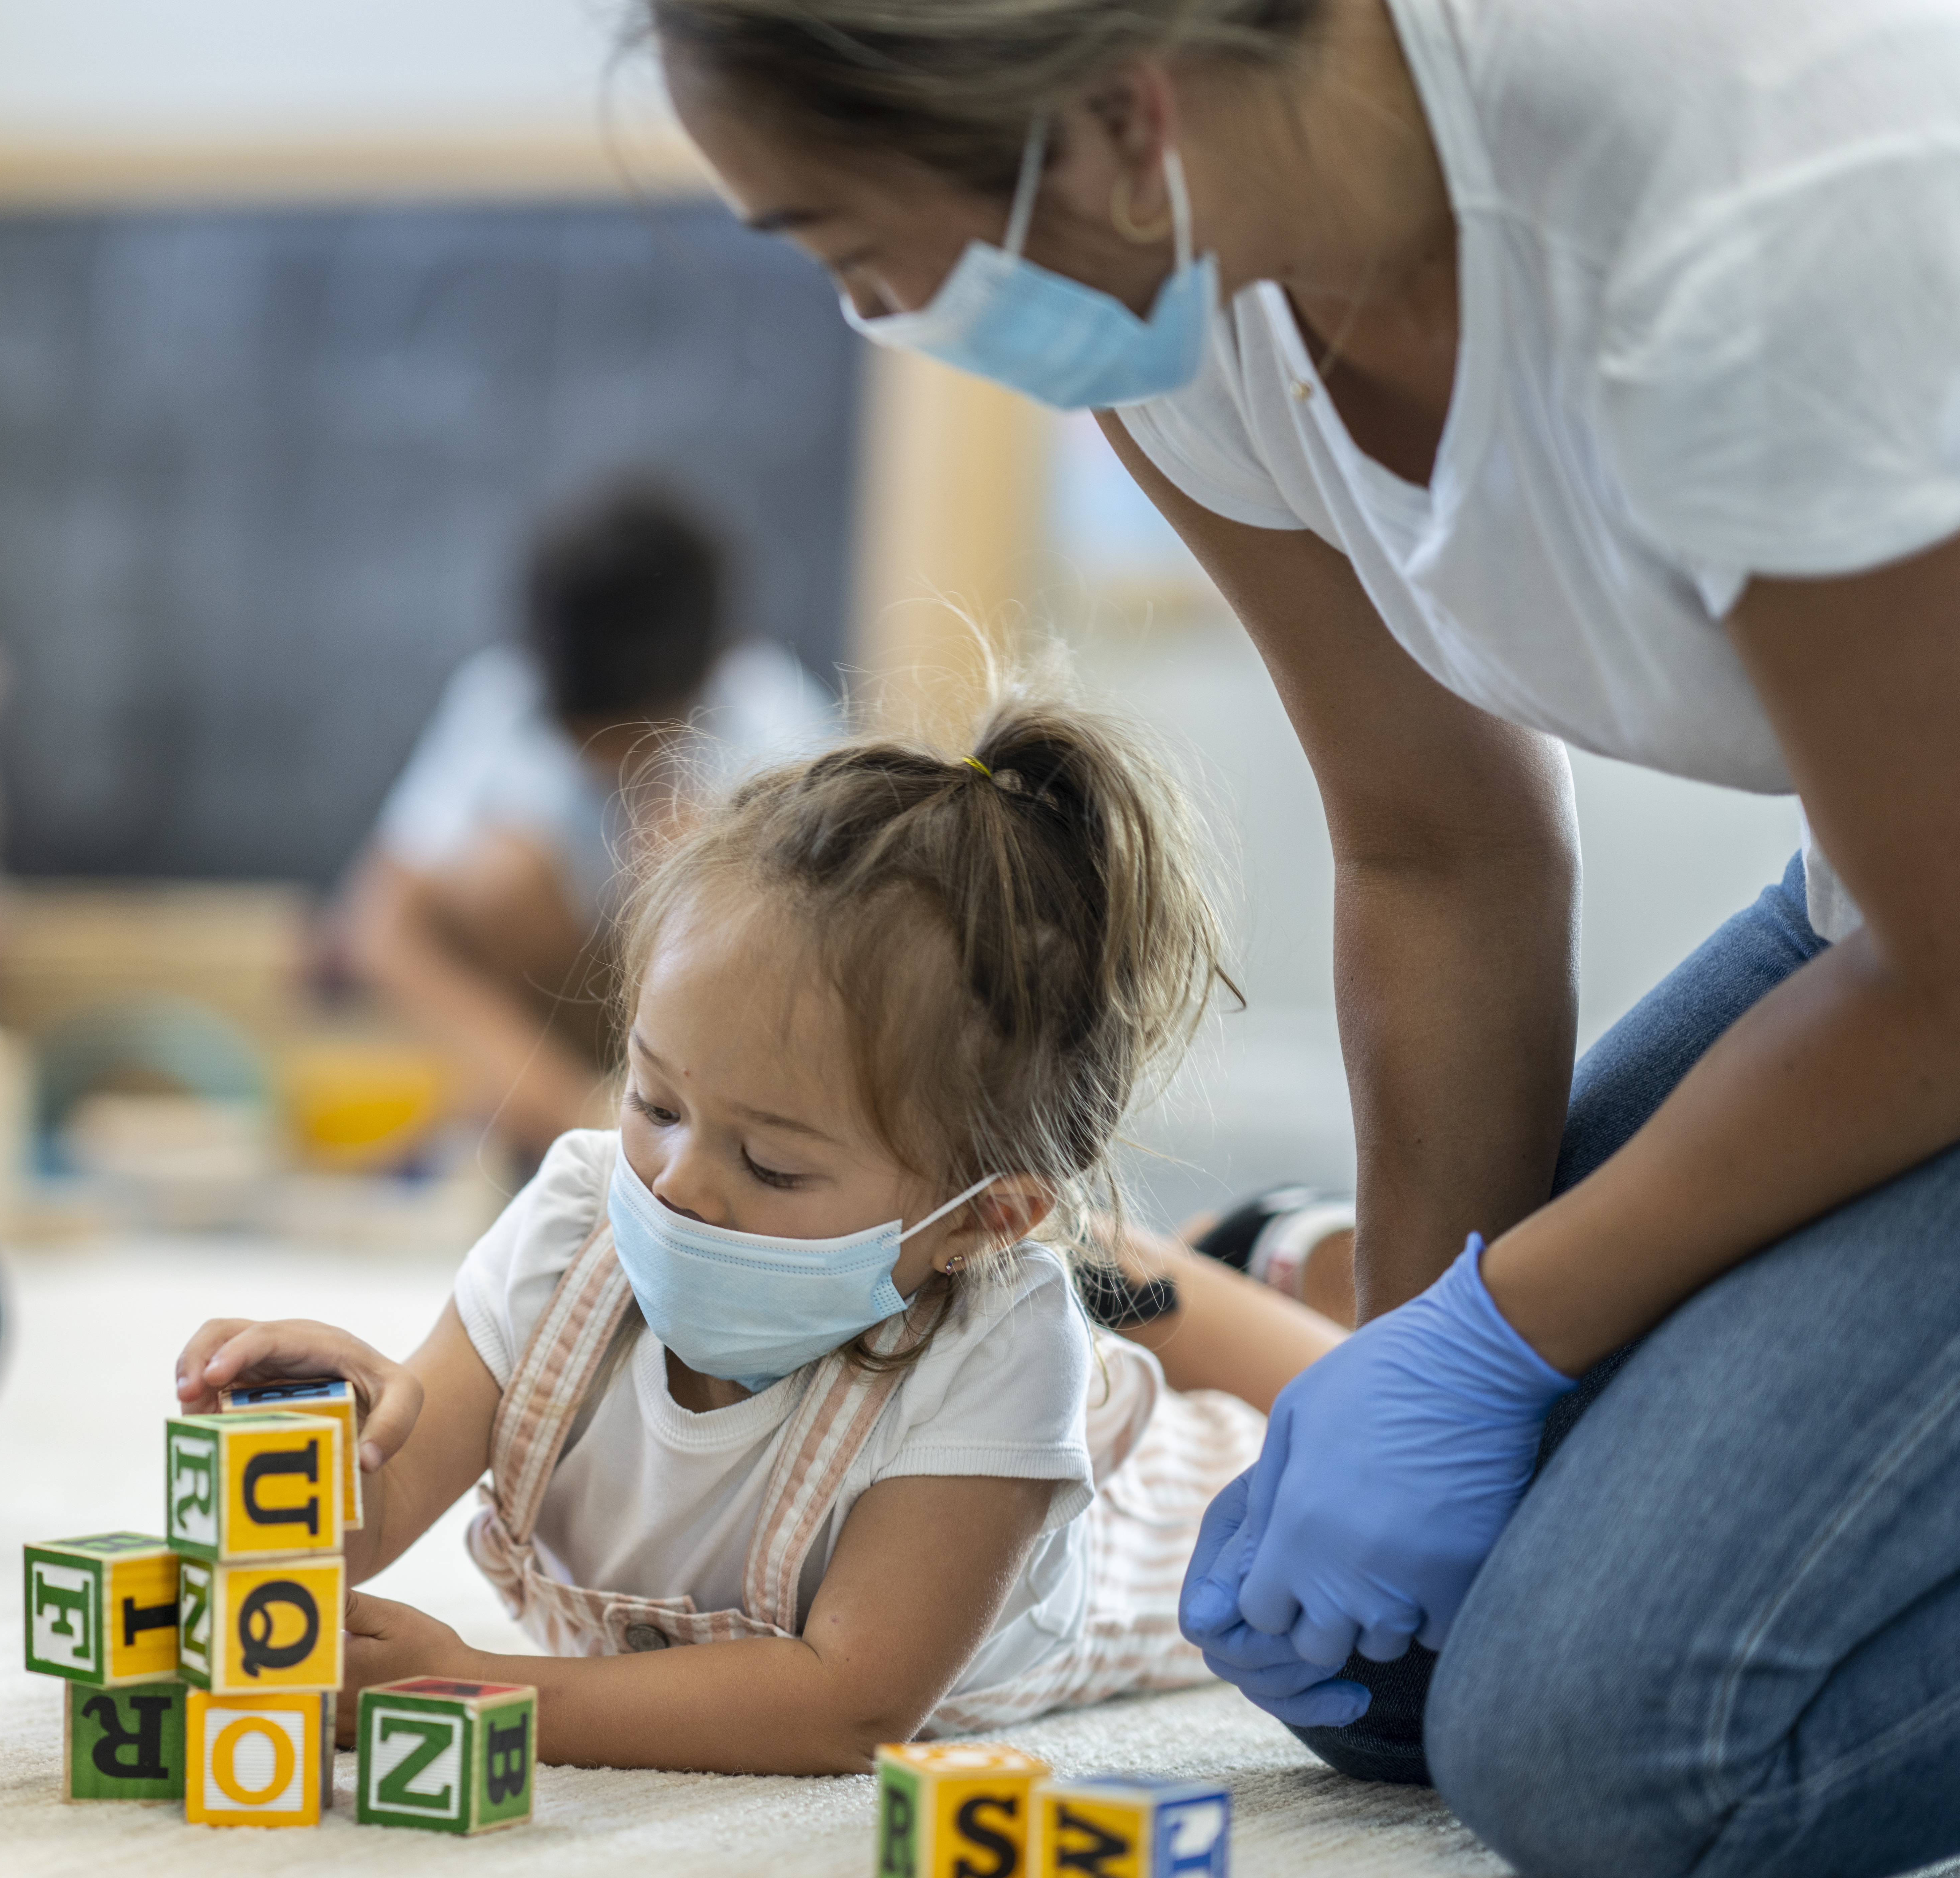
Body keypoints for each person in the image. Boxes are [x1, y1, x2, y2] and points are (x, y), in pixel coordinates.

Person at [646, 0, 1960, 1871]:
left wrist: (1493, 1344)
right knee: (1384, 1683)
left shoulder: (1746, 206)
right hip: (1903, 903)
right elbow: (1444, 849)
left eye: (857, 251)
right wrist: (1406, 1357)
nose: (879, 317)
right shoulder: (1172, 284)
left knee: (1610, 1753)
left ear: (1109, 115)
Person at [181, 693, 1341, 1771]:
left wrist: (484, 1686)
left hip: (1171, 1487)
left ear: (980, 1216)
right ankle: (1202, 1258)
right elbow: (351, 1534)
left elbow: (846, 1703)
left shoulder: (1000, 1341)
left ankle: (1263, 1258)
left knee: (1352, 1423)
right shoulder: (581, 1220)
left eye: (772, 1162)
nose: (677, 1183)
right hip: (991, 1260)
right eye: (654, 1102)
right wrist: (314, 1445)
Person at [343, 480, 837, 1164]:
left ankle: (679, 1122)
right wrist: (538, 1086)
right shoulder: (505, 700)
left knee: (705, 857)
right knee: (503, 876)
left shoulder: (775, 722)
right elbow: (380, 925)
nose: (610, 770)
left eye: (635, 742)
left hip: (713, 1045)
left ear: (712, 671)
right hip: (565, 1056)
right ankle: (595, 1121)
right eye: (588, 745)